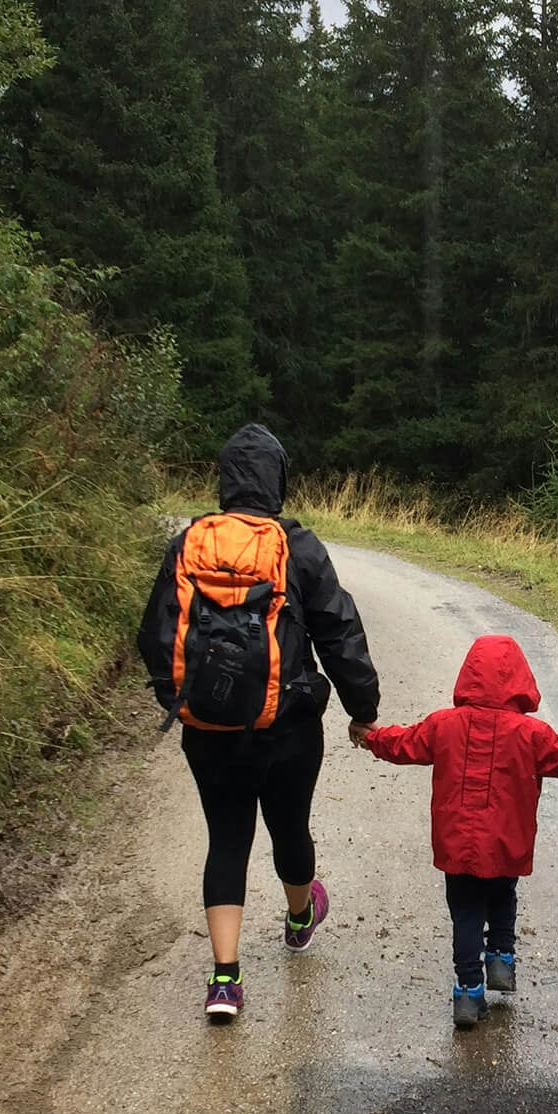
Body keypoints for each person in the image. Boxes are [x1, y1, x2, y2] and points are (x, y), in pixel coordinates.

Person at [137, 424, 380, 1022]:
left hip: (208, 728)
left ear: (225, 480)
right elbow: (339, 632)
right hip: (288, 727)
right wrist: (363, 709)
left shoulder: (188, 543)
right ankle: (300, 918)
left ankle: (224, 979)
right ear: (278, 480)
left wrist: (184, 698)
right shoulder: (298, 547)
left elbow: (154, 635)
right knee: (289, 827)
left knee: (227, 838)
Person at [354, 635, 558, 1029]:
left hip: (457, 844)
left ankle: (468, 991)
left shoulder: (443, 725)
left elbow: (404, 743)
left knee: (466, 911)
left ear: (468, 676)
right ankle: (502, 957)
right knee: (503, 892)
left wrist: (371, 736)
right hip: (507, 842)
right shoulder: (532, 734)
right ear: (521, 680)